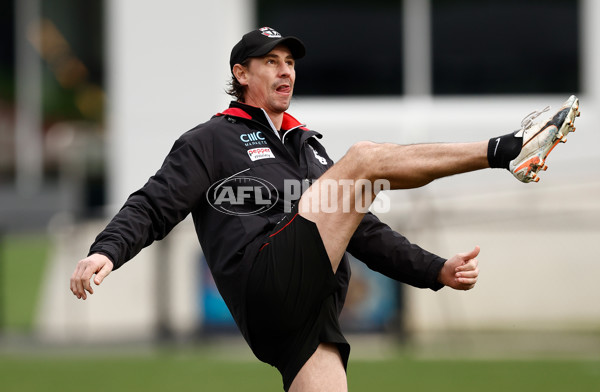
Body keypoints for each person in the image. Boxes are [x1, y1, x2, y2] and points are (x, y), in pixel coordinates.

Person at [70, 27, 581, 392]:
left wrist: (435, 270)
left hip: (307, 313)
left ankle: (509, 153)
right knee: (364, 160)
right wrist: (106, 251)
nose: (284, 69)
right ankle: (510, 149)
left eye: (289, 62)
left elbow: (365, 232)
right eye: (270, 61)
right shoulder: (210, 140)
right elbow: (154, 203)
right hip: (266, 275)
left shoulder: (307, 148)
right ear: (240, 74)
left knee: (357, 175)